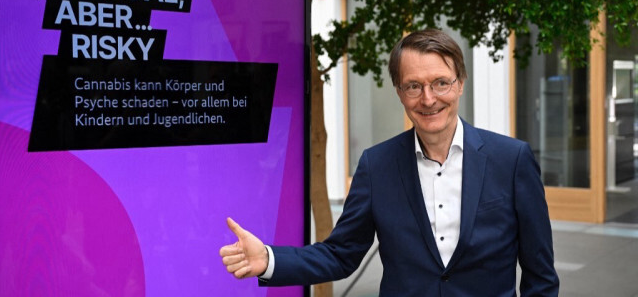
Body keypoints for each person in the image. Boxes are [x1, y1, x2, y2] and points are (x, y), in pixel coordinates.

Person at [219, 29, 560, 296]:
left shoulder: (512, 161)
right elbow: (341, 254)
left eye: (441, 83)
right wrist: (269, 259)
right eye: (413, 86)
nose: (428, 99)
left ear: (460, 85)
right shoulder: (376, 166)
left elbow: (540, 274)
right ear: (399, 92)